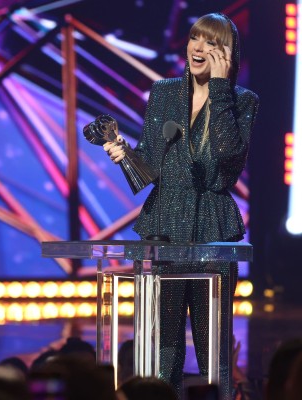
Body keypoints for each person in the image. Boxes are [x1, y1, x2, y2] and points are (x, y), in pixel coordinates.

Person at [104, 12, 259, 399]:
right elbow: (151, 166)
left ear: (227, 54)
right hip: (164, 226)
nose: (198, 48)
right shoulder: (164, 92)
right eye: (194, 38)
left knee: (213, 350)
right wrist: (125, 155)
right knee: (163, 349)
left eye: (211, 43)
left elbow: (227, 156)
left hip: (212, 228)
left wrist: (220, 89)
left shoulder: (242, 101)